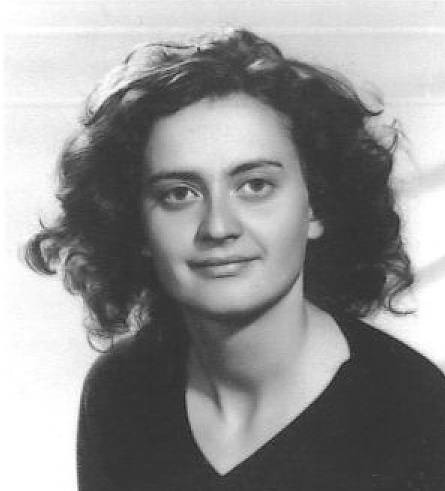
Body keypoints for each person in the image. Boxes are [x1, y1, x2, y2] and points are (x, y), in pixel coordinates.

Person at [25, 28, 445, 490]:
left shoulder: (414, 410)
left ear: (316, 207)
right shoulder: (120, 390)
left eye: (255, 186)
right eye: (179, 193)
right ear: (137, 224)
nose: (218, 226)